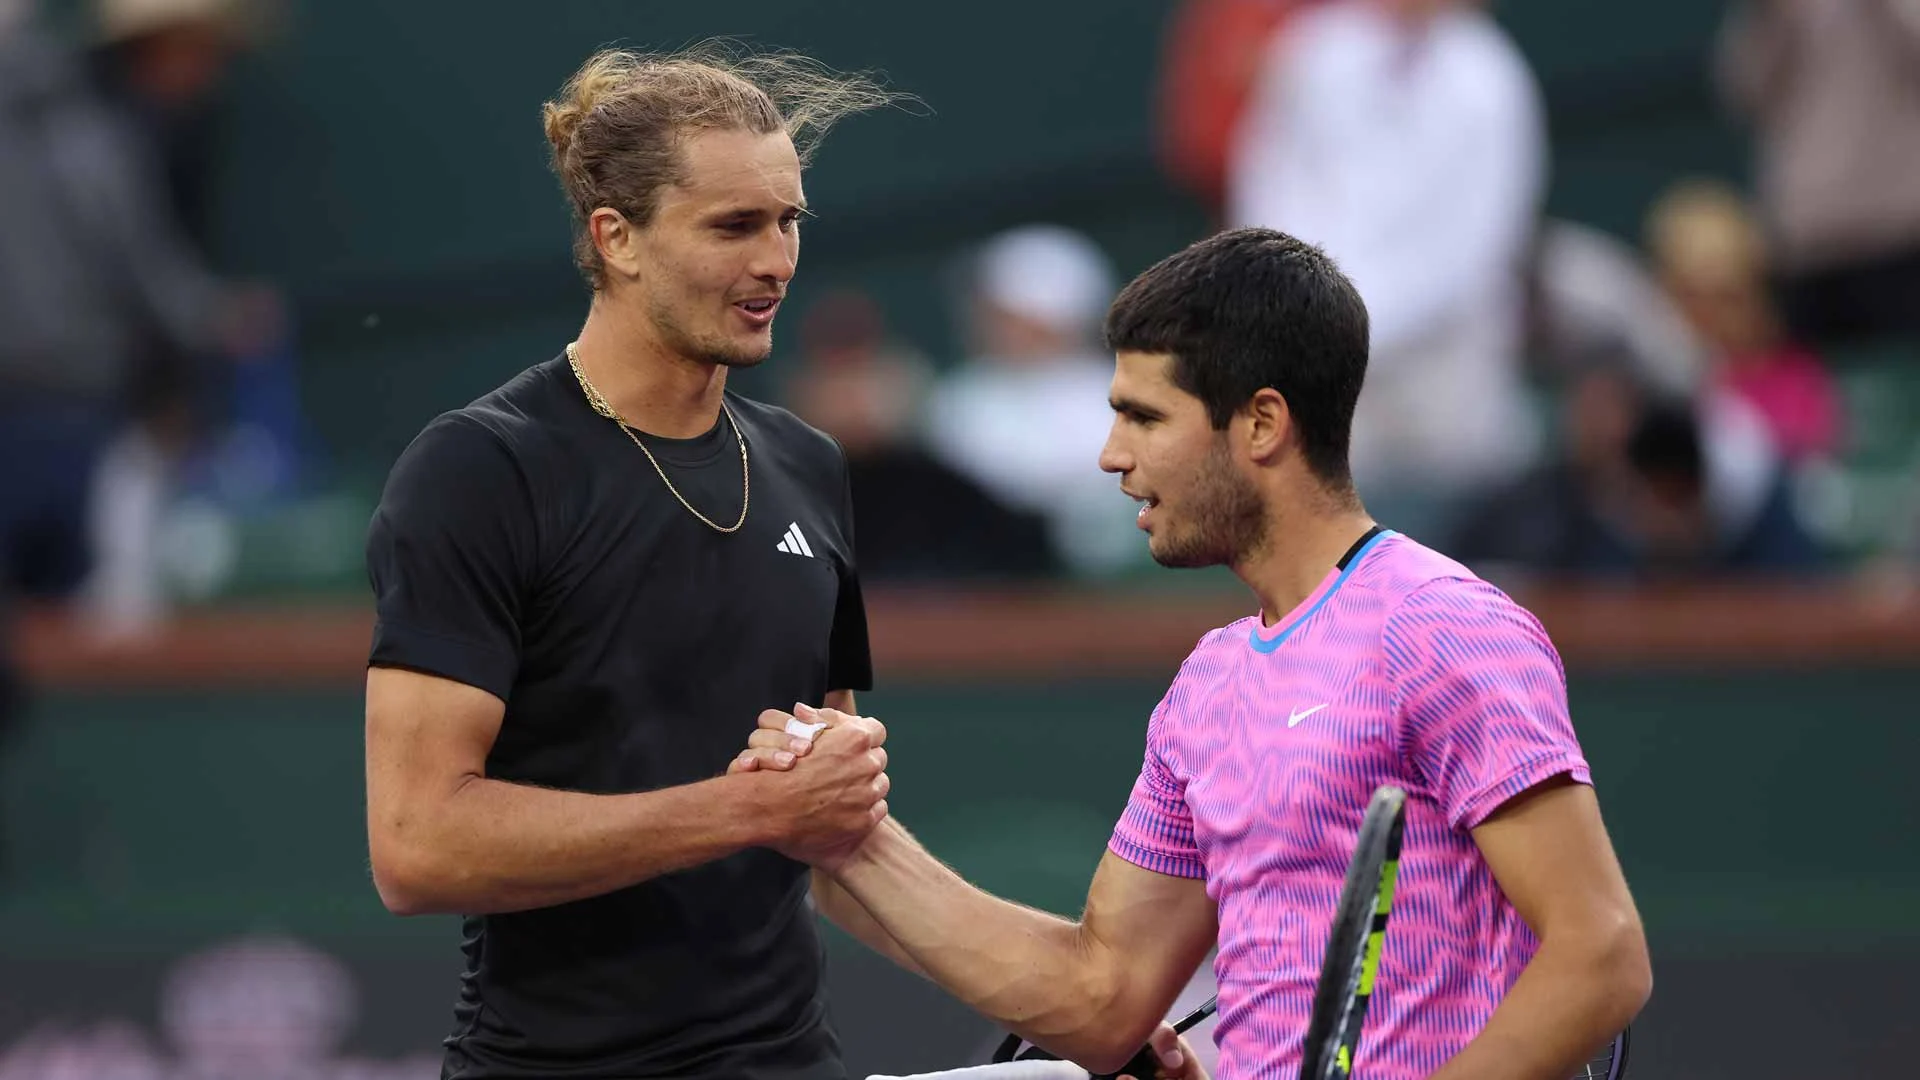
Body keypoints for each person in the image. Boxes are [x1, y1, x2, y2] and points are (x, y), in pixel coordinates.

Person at [738, 229, 1651, 1079]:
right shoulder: (1208, 682)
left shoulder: (1441, 625)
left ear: (1260, 424)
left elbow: (1600, 954)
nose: (1110, 454)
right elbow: (1102, 994)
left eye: (1144, 417)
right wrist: (847, 840)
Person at [362, 45, 906, 1079]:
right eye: (734, 225)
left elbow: (831, 828)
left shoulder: (806, 464)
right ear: (618, 239)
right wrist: (744, 810)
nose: (777, 261)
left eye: (789, 220)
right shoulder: (480, 469)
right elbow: (417, 844)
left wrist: (1078, 1004)